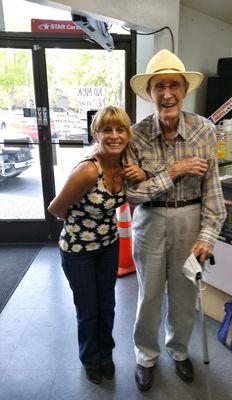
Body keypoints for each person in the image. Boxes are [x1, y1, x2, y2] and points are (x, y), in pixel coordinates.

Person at [124, 49, 227, 391]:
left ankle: (178, 349)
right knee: (149, 294)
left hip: (191, 219)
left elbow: (213, 191)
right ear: (150, 93)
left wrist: (208, 236)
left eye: (174, 86)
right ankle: (145, 354)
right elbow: (133, 195)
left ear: (184, 90)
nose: (167, 94)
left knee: (185, 293)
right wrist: (173, 172)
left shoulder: (204, 130)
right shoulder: (136, 135)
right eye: (159, 87)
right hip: (149, 222)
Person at [47, 106, 145, 385]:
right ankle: (91, 359)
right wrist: (81, 223)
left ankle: (106, 355)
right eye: (107, 130)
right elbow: (55, 208)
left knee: (108, 305)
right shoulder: (89, 170)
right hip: (78, 251)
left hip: (108, 246)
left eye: (121, 129)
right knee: (88, 309)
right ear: (96, 134)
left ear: (128, 134)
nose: (115, 136)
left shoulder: (126, 165)